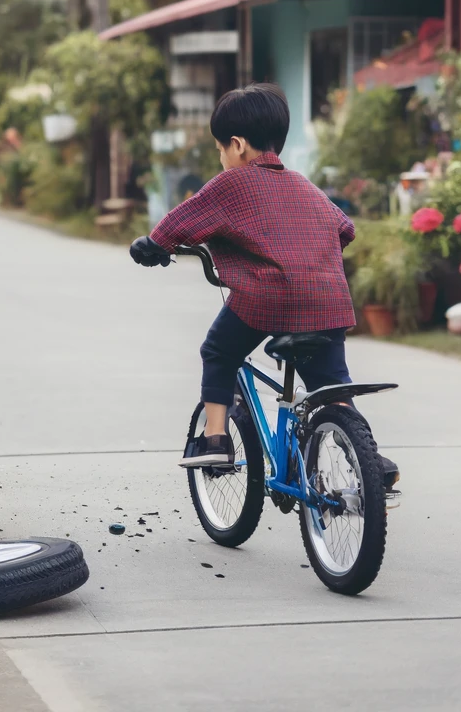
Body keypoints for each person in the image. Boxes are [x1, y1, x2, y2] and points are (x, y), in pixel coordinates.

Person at [129, 83, 399, 491]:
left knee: (218, 350)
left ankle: (216, 438)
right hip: (328, 299)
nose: (221, 158)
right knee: (331, 385)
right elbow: (346, 228)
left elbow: (180, 221)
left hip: (267, 297)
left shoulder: (232, 184)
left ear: (237, 145)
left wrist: (152, 246)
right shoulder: (304, 184)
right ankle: (366, 456)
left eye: (220, 149)